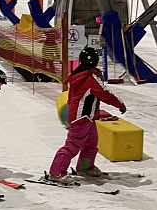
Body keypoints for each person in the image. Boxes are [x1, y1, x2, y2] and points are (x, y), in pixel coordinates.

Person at [48, 47, 126, 186]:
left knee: (91, 143)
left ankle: (85, 167)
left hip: (86, 116)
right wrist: (119, 104)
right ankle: (57, 172)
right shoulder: (90, 77)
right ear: (95, 62)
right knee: (73, 145)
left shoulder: (79, 74)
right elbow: (105, 93)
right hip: (82, 117)